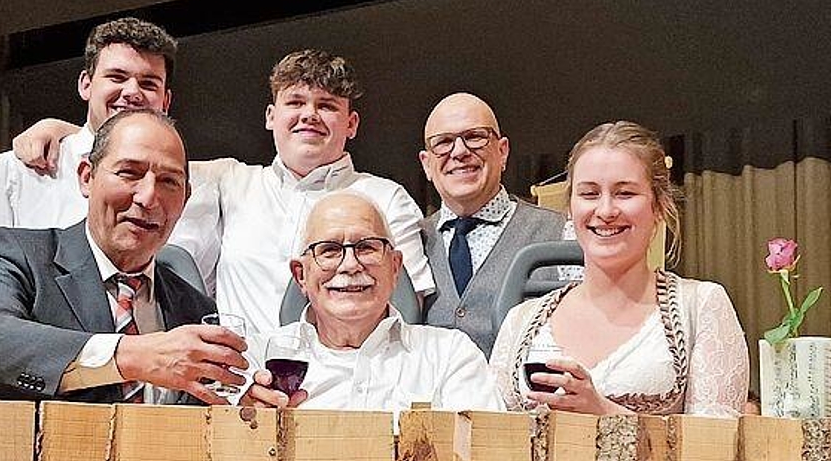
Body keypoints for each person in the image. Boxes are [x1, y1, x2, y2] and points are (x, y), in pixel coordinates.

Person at [11, 49, 434, 334]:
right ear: (271, 116)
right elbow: (135, 157)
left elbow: (407, 314)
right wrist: (67, 134)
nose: (309, 115)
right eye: (295, 102)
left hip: (351, 380)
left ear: (352, 123)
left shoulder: (387, 197)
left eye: (326, 105)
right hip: (240, 385)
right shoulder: (231, 181)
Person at [0, 110, 248, 405]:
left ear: (185, 199)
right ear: (86, 177)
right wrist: (131, 356)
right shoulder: (21, 256)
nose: (148, 197)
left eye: (169, 181)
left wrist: (239, 408)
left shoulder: (196, 310)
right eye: (129, 172)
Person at [489, 121, 749, 417]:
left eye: (625, 193)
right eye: (589, 194)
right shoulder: (521, 321)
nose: (606, 211)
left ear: (658, 205)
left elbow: (714, 451)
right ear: (570, 207)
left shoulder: (701, 307)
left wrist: (605, 413)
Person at [0, 17, 218, 292]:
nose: (132, 92)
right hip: (38, 330)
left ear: (166, 101)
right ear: (86, 84)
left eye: (148, 83)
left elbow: (199, 295)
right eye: (117, 77)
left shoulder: (199, 189)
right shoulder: (19, 169)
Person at [238, 191, 503, 413]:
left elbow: (486, 458)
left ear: (395, 267)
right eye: (329, 250)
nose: (351, 265)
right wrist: (244, 427)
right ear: (301, 275)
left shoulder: (450, 357)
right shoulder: (255, 361)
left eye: (366, 247)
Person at [418, 93, 566, 356]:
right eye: (443, 142)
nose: (460, 152)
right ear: (427, 164)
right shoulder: (409, 242)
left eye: (475, 136)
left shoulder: (562, 234)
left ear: (502, 151)